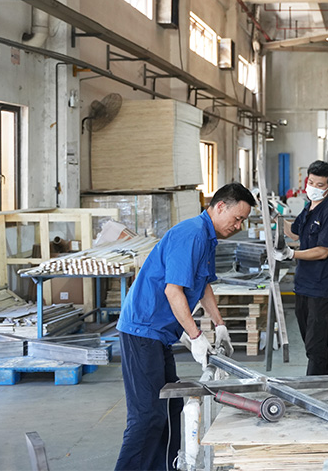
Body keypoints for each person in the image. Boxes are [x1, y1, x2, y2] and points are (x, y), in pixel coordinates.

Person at [114, 183, 256, 471]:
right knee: (147, 416)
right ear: (220, 207)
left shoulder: (208, 238)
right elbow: (173, 290)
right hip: (143, 330)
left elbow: (203, 285)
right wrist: (196, 336)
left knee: (171, 405)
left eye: (243, 221)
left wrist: (220, 325)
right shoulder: (191, 234)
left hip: (159, 334)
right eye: (237, 218)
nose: (239, 226)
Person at [273, 160, 328, 375]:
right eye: (311, 182)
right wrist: (275, 217)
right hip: (304, 283)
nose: (313, 187)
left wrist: (292, 254)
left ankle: (313, 388)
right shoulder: (309, 207)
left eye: (319, 185)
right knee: (313, 343)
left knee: (315, 345)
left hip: (321, 287)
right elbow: (295, 233)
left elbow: (323, 251)